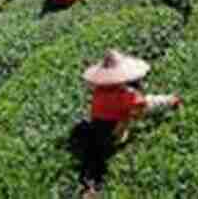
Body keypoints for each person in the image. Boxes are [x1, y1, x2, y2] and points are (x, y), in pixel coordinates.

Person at [77, 49, 182, 192]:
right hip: (115, 135)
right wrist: (169, 101)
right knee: (144, 106)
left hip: (97, 128)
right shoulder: (128, 96)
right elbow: (145, 108)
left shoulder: (98, 91)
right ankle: (171, 100)